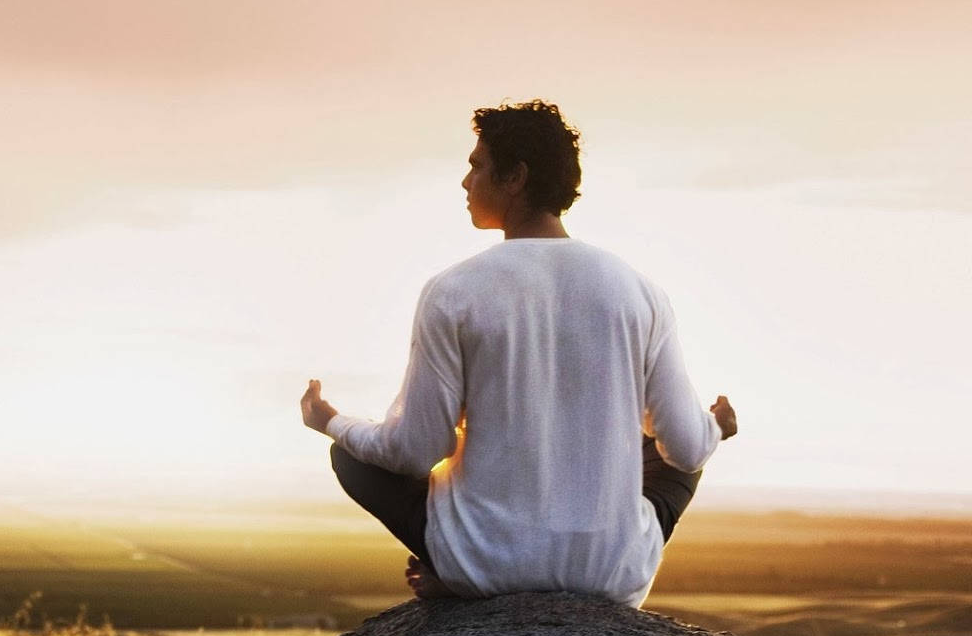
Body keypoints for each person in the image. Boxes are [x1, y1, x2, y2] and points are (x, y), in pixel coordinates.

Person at [299, 100, 737, 608]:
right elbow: (684, 449)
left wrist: (331, 421)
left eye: (477, 166)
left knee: (353, 457)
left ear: (516, 177)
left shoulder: (452, 290)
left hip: (486, 566)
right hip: (610, 575)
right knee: (683, 441)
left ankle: (456, 571)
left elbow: (416, 450)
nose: (465, 182)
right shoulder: (639, 290)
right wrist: (716, 429)